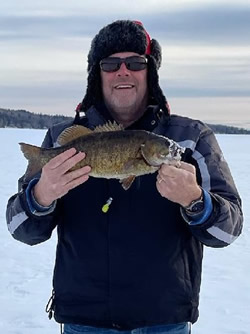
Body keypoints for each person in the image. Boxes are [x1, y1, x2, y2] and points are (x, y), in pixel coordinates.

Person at [6, 20, 243, 334]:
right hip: (83, 321)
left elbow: (228, 231)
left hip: (164, 320)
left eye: (135, 62)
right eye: (110, 64)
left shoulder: (189, 139)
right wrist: (40, 197)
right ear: (96, 74)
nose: (123, 71)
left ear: (150, 73)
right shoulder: (63, 139)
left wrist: (197, 201)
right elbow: (19, 229)